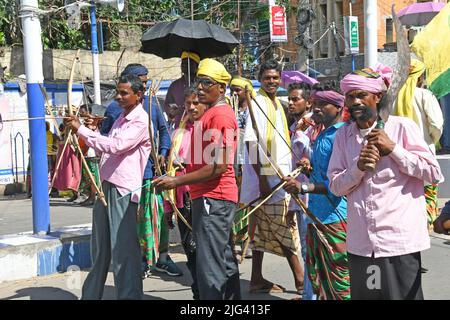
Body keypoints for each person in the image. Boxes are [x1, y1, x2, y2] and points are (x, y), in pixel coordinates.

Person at [327, 66, 442, 300]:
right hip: (361, 245)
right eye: (351, 96)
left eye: (361, 95)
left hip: (398, 243)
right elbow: (335, 186)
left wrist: (394, 150)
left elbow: (433, 173)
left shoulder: (402, 128)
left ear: (377, 97)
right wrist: (357, 169)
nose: (356, 101)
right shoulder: (343, 136)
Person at [153, 58, 241, 300]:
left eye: (207, 83)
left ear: (221, 88)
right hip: (210, 195)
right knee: (222, 260)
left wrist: (176, 181)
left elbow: (219, 166)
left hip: (214, 196)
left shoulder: (220, 116)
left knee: (209, 267)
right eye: (198, 81)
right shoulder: (210, 115)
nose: (200, 87)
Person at [66, 74, 151, 300]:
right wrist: (90, 131)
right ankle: (91, 296)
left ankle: (129, 296)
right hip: (107, 185)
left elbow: (116, 146)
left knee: (124, 251)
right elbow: (108, 147)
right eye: (118, 92)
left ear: (138, 95)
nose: (119, 97)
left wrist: (82, 131)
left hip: (123, 190)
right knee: (100, 249)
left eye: (125, 93)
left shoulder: (141, 120)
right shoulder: (122, 118)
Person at [240, 59, 304, 295]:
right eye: (267, 78)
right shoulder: (257, 103)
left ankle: (256, 278)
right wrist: (265, 181)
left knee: (261, 230)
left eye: (275, 78)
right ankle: (300, 280)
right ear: (260, 78)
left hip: (280, 175)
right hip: (267, 179)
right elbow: (252, 144)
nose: (272, 81)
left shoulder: (277, 103)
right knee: (285, 228)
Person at [283, 85, 350, 300]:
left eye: (323, 104)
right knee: (318, 276)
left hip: (336, 217)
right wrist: (308, 169)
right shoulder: (322, 135)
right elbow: (322, 175)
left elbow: (337, 183)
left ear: (339, 107)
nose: (317, 109)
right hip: (315, 215)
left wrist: (303, 187)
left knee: (340, 279)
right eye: (316, 104)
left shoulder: (342, 136)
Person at [162, 86, 206, 299]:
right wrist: (168, 207)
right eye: (187, 103)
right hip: (181, 197)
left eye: (196, 103)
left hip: (202, 196)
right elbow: (171, 166)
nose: (191, 107)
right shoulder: (179, 131)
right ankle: (199, 291)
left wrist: (187, 167)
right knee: (190, 246)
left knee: (205, 248)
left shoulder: (208, 130)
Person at [393, 59, 444, 231]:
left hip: (397, 158)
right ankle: (423, 229)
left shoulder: (390, 97)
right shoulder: (424, 95)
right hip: (424, 157)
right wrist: (430, 140)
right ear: (421, 77)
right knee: (428, 195)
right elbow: (436, 125)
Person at [229, 76, 255, 260]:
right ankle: (235, 240)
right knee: (235, 201)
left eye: (238, 90)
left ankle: (247, 238)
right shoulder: (230, 110)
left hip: (249, 158)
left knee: (248, 200)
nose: (235, 93)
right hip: (233, 160)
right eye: (233, 89)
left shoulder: (255, 109)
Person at [100, 64, 149, 136]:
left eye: (146, 82)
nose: (144, 86)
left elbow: (163, 130)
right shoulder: (114, 108)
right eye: (141, 82)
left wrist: (164, 147)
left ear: (138, 95)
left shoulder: (152, 105)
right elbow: (105, 134)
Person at [163, 51, 200, 129]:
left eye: (189, 63)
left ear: (196, 66)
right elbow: (168, 106)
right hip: (180, 128)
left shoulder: (201, 85)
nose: (185, 65)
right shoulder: (174, 86)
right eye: (183, 63)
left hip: (199, 127)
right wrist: (172, 111)